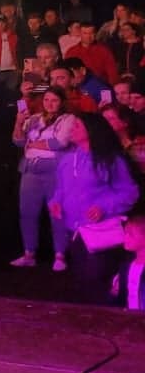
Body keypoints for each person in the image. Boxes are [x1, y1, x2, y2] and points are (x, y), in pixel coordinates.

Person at [51, 113, 140, 304]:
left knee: (98, 283)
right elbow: (60, 188)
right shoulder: (67, 160)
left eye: (77, 126)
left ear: (91, 130)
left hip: (101, 231)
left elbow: (129, 192)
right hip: (75, 231)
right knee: (82, 281)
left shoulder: (111, 160)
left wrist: (104, 207)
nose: (71, 129)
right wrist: (56, 202)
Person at [11, 87, 76, 270]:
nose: (50, 104)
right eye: (47, 100)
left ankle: (60, 254)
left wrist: (34, 144)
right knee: (27, 212)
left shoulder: (68, 119)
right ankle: (29, 253)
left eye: (54, 100)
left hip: (54, 169)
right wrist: (18, 123)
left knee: (56, 212)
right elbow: (18, 141)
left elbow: (60, 142)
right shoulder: (34, 118)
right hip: (30, 168)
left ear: (62, 102)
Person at [110, 214, 144, 311]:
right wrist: (114, 292)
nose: (125, 237)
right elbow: (119, 303)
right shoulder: (125, 268)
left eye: (130, 234)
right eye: (125, 233)